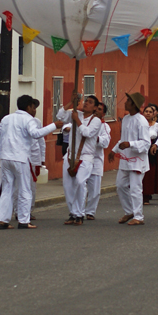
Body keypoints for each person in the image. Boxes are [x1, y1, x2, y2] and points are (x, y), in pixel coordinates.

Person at [0, 95, 62, 230]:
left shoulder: (7, 118)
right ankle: (24, 220)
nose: (35, 110)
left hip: (5, 158)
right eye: (33, 107)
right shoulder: (29, 119)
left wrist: (5, 144)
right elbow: (36, 134)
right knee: (25, 189)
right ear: (28, 107)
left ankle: (2, 219)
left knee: (7, 189)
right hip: (21, 158)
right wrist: (54, 125)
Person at [58, 95, 102, 225]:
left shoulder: (96, 121)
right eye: (86, 101)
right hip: (70, 154)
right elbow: (60, 116)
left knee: (80, 182)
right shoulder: (76, 113)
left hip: (86, 156)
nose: (86, 103)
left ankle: (80, 213)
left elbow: (87, 133)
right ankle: (73, 212)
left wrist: (77, 120)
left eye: (90, 102)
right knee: (68, 186)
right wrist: (71, 101)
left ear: (94, 107)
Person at [110, 92, 150, 225]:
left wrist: (131, 144)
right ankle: (129, 211)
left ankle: (139, 216)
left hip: (138, 161)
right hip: (125, 159)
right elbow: (123, 139)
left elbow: (146, 143)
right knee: (120, 185)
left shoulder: (142, 121)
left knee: (135, 188)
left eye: (128, 101)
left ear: (134, 104)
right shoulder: (126, 118)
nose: (125, 102)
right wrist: (114, 150)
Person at [85, 102, 111, 220]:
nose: (96, 111)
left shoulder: (104, 126)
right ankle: (78, 210)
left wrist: (94, 138)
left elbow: (105, 142)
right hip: (83, 158)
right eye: (96, 108)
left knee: (94, 189)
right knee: (79, 185)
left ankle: (90, 211)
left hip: (96, 159)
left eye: (99, 109)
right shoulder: (85, 121)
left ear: (103, 114)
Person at [142, 105, 158, 205]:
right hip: (141, 149)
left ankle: (147, 195)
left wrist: (156, 145)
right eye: (146, 111)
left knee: (150, 173)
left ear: (154, 114)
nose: (148, 113)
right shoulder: (140, 124)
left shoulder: (157, 126)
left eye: (150, 112)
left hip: (152, 151)